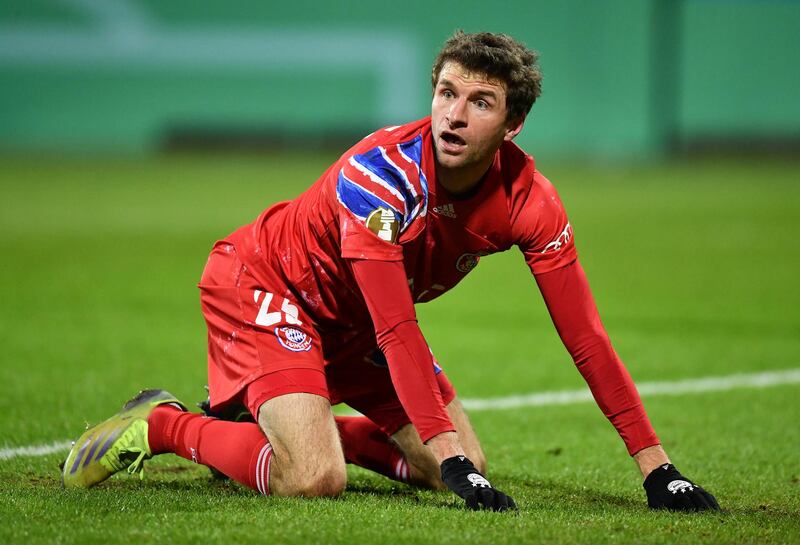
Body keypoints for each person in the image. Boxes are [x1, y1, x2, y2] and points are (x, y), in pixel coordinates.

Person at [62, 30, 718, 512]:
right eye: (446, 93)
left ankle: (274, 429)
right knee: (314, 478)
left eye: (480, 102)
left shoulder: (530, 202)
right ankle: (162, 424)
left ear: (513, 125)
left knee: (457, 462)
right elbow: (397, 324)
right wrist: (451, 454)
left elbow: (586, 338)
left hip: (356, 321)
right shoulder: (381, 179)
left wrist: (657, 469)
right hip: (270, 284)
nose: (454, 115)